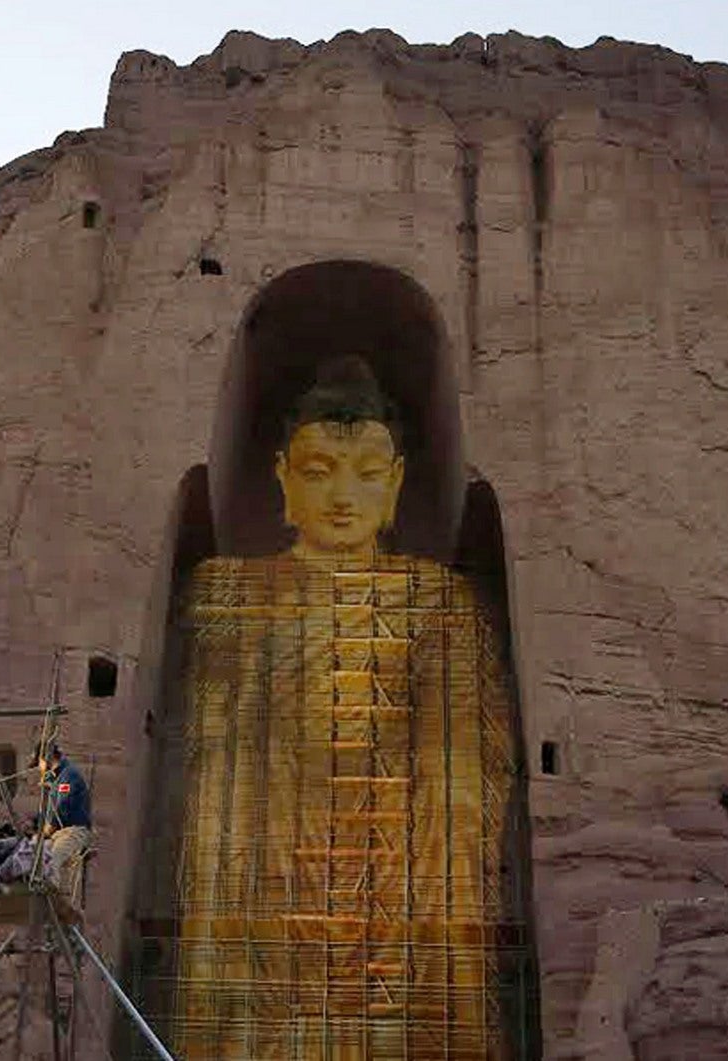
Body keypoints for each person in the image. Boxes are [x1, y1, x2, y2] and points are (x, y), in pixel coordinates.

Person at [143, 356, 530, 1060]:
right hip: (273, 860)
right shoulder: (230, 594)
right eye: (319, 471)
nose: (343, 496)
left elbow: (462, 762)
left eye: (367, 473)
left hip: (399, 871)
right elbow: (216, 766)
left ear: (397, 484)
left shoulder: (441, 600)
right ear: (284, 480)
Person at [35, 743, 93, 900]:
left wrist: (47, 829)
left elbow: (63, 806)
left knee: (53, 857)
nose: (38, 768)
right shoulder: (55, 778)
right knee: (35, 854)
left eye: (38, 763)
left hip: (74, 830)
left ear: (46, 758)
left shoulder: (68, 775)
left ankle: (50, 896)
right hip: (58, 833)